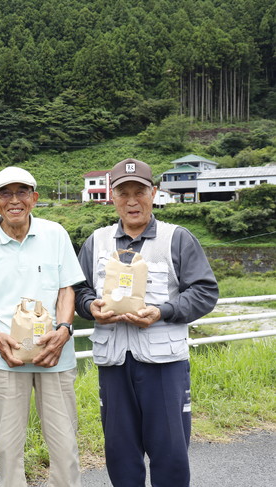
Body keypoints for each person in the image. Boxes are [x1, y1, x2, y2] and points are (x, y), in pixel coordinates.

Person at [74, 158, 219, 487]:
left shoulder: (177, 239)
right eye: (123, 193)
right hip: (113, 362)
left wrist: (162, 311)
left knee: (169, 452)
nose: (131, 200)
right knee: (120, 452)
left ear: (153, 193)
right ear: (112, 197)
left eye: (139, 191)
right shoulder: (96, 241)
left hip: (164, 364)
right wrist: (89, 306)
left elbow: (205, 291)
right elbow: (78, 289)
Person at [0, 166, 85, 487]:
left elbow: (66, 289)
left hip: (55, 356)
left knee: (65, 446)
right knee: (8, 448)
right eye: (5, 194)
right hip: (6, 357)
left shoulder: (55, 234)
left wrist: (64, 329)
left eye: (21, 193)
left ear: (35, 198)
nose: (14, 201)